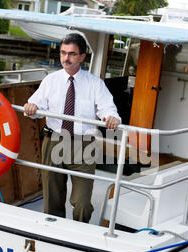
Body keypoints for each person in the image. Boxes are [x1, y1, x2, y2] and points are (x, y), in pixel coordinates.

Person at [24, 33, 121, 223]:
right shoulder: (50, 81)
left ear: (83, 57)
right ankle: (54, 233)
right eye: (63, 53)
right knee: (52, 198)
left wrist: (111, 118)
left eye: (72, 54)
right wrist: (31, 108)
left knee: (83, 202)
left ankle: (79, 231)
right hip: (54, 140)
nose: (66, 58)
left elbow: (108, 108)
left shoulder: (95, 84)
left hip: (83, 144)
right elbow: (35, 108)